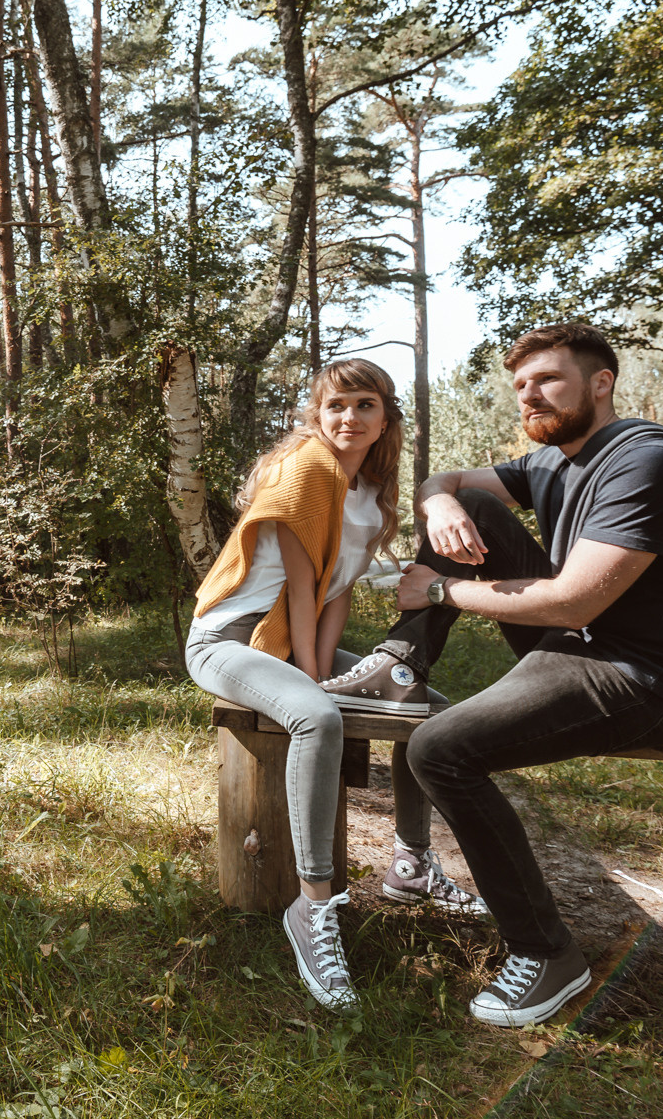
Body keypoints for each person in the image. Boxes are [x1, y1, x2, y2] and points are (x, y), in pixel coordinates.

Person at [325, 323, 663, 1027]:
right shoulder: (554, 463)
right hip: (589, 644)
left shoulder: (647, 463)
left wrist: (439, 591)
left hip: (647, 675)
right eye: (521, 386)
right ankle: (403, 663)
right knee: (471, 507)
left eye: (548, 381)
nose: (530, 395)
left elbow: (577, 599)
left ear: (601, 384)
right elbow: (443, 483)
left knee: (440, 749)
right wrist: (440, 501)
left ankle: (546, 953)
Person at [185, 359, 486, 1016]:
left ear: (386, 418)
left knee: (427, 707)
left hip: (294, 639)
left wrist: (321, 669)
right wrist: (314, 683)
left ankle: (410, 861)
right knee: (316, 717)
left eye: (364, 406)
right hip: (231, 640)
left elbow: (336, 590)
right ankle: (312, 906)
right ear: (318, 416)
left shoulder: (370, 492)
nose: (349, 418)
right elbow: (299, 586)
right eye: (336, 406)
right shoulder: (309, 470)